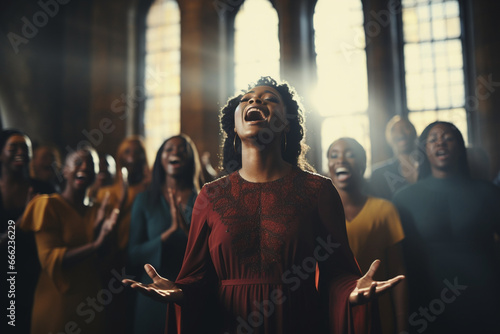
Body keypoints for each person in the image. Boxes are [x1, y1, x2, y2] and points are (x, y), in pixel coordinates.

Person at [124, 77, 404, 334]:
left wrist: (352, 291)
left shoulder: (318, 190)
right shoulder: (210, 196)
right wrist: (178, 291)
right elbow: (198, 277)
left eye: (269, 98)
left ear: (286, 122)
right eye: (247, 99)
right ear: (233, 125)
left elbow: (338, 273)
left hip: (299, 322)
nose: (255, 101)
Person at [393, 121, 500, 333]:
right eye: (433, 139)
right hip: (428, 301)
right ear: (424, 150)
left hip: (484, 296)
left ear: (460, 147)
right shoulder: (403, 199)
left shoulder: (488, 192)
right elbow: (398, 259)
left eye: (448, 138)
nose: (440, 142)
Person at [20, 147, 120, 334]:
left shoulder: (99, 209)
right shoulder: (47, 205)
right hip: (57, 300)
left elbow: (105, 260)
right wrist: (95, 243)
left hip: (91, 299)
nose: (85, 167)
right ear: (65, 171)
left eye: (92, 165)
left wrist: (101, 232)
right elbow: (50, 259)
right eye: (77, 163)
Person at [328, 138, 408, 334]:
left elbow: (398, 271)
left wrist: (402, 326)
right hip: (333, 318)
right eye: (334, 155)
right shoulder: (315, 213)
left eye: (350, 154)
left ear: (364, 164)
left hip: (379, 317)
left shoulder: (385, 210)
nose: (341, 160)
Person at [128, 134, 202, 334]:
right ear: (161, 157)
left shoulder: (205, 199)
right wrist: (167, 235)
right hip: (151, 292)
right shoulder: (144, 200)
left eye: (182, 149)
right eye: (169, 149)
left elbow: (212, 253)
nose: (175, 152)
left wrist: (186, 232)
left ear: (190, 159)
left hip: (190, 293)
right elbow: (133, 254)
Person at [0, 129, 54, 334]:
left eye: (25, 148)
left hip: (36, 277)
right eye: (13, 147)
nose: (20, 152)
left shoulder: (44, 189)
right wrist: (21, 222)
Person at [94, 135, 150, 333]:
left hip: (144, 263)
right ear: (119, 157)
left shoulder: (151, 190)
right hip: (113, 262)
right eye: (127, 151)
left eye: (137, 152)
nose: (132, 156)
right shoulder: (106, 193)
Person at [370, 116, 418, 200]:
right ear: (388, 137)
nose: (400, 133)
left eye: (405, 127)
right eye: (393, 130)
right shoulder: (378, 174)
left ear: (414, 133)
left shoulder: (430, 168)